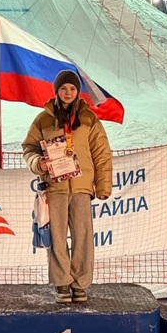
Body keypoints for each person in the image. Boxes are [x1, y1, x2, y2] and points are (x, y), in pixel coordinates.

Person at [22, 70, 113, 304]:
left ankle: (80, 284)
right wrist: (38, 163)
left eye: (72, 88)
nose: (68, 92)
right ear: (57, 91)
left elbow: (102, 153)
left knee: (83, 237)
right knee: (57, 237)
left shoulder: (89, 119)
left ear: (77, 91)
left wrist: (103, 185)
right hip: (55, 189)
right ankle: (62, 283)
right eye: (63, 88)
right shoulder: (43, 119)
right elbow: (29, 148)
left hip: (82, 188)